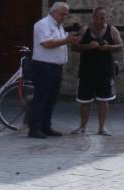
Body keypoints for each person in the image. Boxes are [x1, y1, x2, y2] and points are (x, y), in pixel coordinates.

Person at [27, 2, 80, 139]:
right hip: (44, 66)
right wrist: (66, 41)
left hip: (56, 66)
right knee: (41, 98)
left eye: (66, 14)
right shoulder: (42, 24)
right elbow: (46, 43)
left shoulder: (59, 26)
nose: (65, 16)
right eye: (63, 13)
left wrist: (70, 41)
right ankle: (34, 128)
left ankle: (45, 126)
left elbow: (59, 43)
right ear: (53, 12)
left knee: (51, 99)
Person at [72, 7, 123, 135]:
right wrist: (88, 46)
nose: (101, 20)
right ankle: (82, 127)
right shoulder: (84, 30)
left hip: (105, 72)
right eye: (98, 17)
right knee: (85, 101)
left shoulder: (112, 30)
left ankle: (102, 128)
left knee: (103, 100)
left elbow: (120, 46)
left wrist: (108, 48)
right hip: (86, 71)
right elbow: (74, 46)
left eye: (103, 17)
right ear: (93, 17)